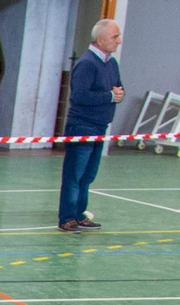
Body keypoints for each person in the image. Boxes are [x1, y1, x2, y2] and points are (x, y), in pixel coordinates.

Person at [59, 19, 124, 233]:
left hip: (100, 127)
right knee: (74, 176)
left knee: (88, 176)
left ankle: (79, 215)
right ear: (101, 38)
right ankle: (67, 218)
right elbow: (79, 95)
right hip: (82, 127)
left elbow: (117, 88)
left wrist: (118, 94)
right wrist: (110, 96)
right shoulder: (87, 64)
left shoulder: (111, 63)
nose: (119, 41)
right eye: (115, 37)